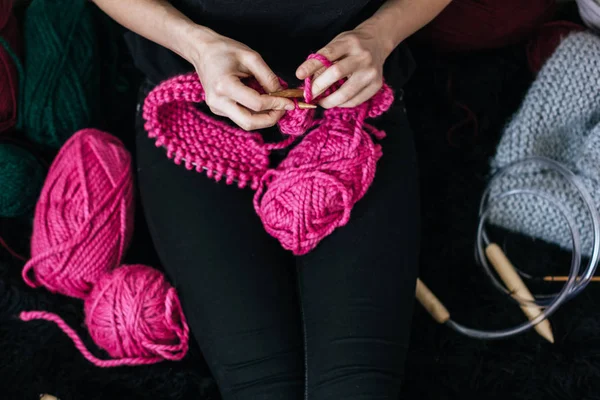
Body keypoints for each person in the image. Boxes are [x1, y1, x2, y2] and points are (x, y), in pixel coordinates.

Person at [92, 1, 450, 399]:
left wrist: (381, 34)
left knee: (359, 386)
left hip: (355, 110)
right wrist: (196, 45)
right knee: (259, 388)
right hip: (192, 109)